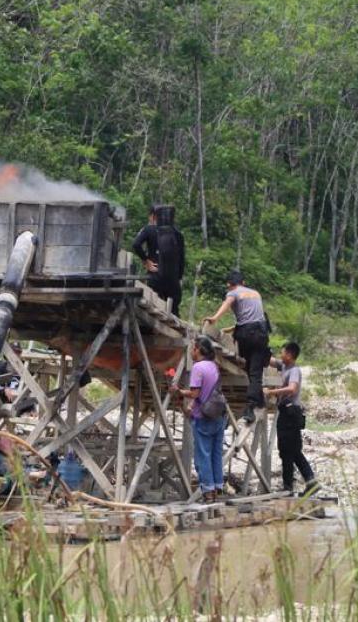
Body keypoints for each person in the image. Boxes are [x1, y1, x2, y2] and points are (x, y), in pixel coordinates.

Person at [203, 270, 269, 425]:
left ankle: (251, 407)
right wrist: (232, 329)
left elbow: (227, 305)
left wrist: (214, 319)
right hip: (260, 335)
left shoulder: (233, 293)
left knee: (250, 371)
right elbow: (254, 317)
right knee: (255, 372)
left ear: (229, 285)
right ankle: (257, 401)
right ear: (243, 282)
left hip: (245, 337)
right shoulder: (255, 294)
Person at [175, 336, 226, 502]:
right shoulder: (215, 366)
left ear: (198, 349)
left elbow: (195, 393)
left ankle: (208, 492)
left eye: (192, 348)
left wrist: (180, 391)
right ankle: (218, 487)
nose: (191, 351)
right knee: (216, 454)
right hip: (218, 415)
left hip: (203, 417)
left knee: (203, 455)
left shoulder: (198, 367)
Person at [265, 342, 317, 495]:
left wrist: (272, 392)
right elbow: (271, 361)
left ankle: (308, 480)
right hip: (285, 413)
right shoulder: (284, 366)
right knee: (286, 450)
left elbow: (292, 389)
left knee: (292, 450)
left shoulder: (294, 370)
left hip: (291, 413)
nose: (281, 355)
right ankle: (290, 486)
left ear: (289, 355)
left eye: (282, 352)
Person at [131, 205, 185, 316]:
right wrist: (178, 277)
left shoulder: (149, 229)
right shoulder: (178, 233)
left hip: (156, 276)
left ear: (153, 216)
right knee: (174, 312)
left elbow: (136, 244)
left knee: (153, 309)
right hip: (173, 280)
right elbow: (181, 258)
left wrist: (145, 260)